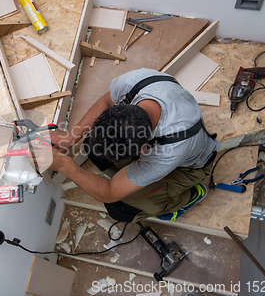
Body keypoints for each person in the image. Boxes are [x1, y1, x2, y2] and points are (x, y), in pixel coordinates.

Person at [35, 68, 219, 223]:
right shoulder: (134, 83)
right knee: (92, 148)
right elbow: (105, 101)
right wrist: (71, 136)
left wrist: (63, 164)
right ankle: (133, 181)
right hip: (171, 124)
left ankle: (187, 197)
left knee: (120, 208)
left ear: (142, 151)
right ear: (118, 108)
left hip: (188, 167)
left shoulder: (169, 151)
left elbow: (110, 192)